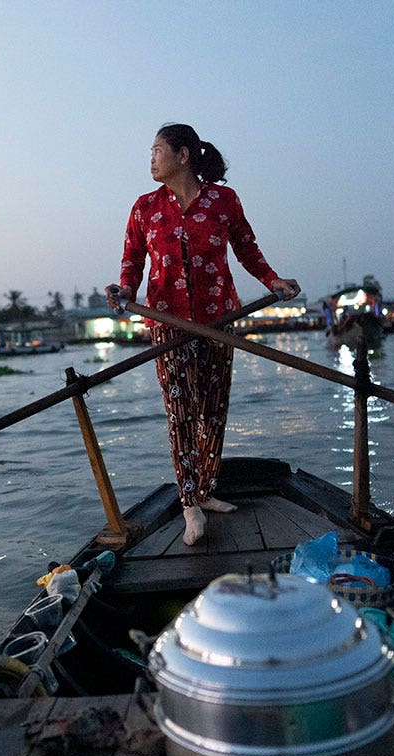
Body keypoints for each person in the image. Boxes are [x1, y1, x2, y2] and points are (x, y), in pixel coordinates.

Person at [107, 123, 300, 547]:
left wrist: (273, 280)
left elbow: (247, 249)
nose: (151, 158)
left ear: (184, 155)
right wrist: (124, 291)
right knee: (180, 410)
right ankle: (189, 502)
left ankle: (206, 490)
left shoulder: (223, 201)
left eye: (158, 150)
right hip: (168, 325)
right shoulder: (144, 207)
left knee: (212, 409)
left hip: (217, 320)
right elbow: (132, 262)